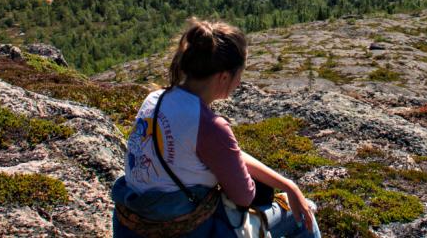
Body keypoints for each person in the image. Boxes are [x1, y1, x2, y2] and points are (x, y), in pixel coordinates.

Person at [112, 18, 321, 237]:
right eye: (238, 75)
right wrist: (284, 191)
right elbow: (244, 196)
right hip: (189, 230)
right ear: (223, 77)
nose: (239, 83)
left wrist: (288, 184)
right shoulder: (210, 125)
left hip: (132, 226)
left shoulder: (155, 99)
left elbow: (222, 153)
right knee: (302, 216)